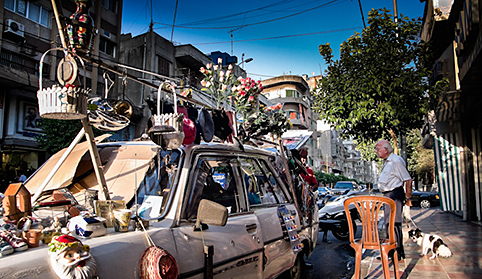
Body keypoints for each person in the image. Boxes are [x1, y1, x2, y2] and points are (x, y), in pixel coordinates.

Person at [375, 140, 412, 261]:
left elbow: (408, 179)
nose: (376, 151)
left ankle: (397, 252)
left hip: (395, 194)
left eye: (378, 149)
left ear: (386, 150)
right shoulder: (387, 161)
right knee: (388, 224)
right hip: (388, 194)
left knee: (394, 224)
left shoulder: (396, 161)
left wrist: (407, 198)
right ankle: (392, 251)